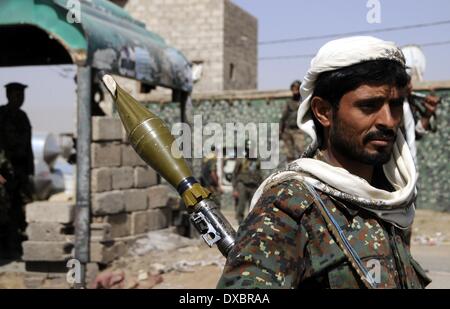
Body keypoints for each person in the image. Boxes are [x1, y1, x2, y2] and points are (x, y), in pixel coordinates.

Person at [217, 36, 431, 289]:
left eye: (394, 105)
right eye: (368, 106)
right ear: (324, 112)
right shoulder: (291, 205)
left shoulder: (393, 193)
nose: (387, 120)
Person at [0, 82, 35, 257]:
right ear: (8, 95)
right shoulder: (1, 115)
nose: (20, 99)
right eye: (16, 95)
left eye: (22, 95)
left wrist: (29, 172)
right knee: (3, 210)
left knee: (19, 210)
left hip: (19, 173)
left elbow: (27, 146)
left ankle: (15, 246)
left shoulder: (23, 117)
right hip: (4, 174)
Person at [402, 75, 440, 165]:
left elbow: (416, 132)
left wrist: (427, 114)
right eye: (407, 82)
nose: (411, 86)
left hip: (410, 165)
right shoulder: (392, 106)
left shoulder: (410, 102)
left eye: (410, 82)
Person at [232, 140, 262, 225]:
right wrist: (235, 189)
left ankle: (251, 222)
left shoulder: (257, 160)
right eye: (248, 149)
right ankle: (240, 222)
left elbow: (259, 174)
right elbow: (235, 174)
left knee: (253, 206)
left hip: (253, 185)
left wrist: (261, 187)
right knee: (241, 205)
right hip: (242, 185)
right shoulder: (241, 160)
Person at [280, 80, 305, 162]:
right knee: (289, 153)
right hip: (288, 130)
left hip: (298, 130)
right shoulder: (289, 102)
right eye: (293, 89)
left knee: (301, 151)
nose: (295, 91)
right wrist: (280, 130)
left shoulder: (303, 102)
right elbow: (283, 117)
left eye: (297, 89)